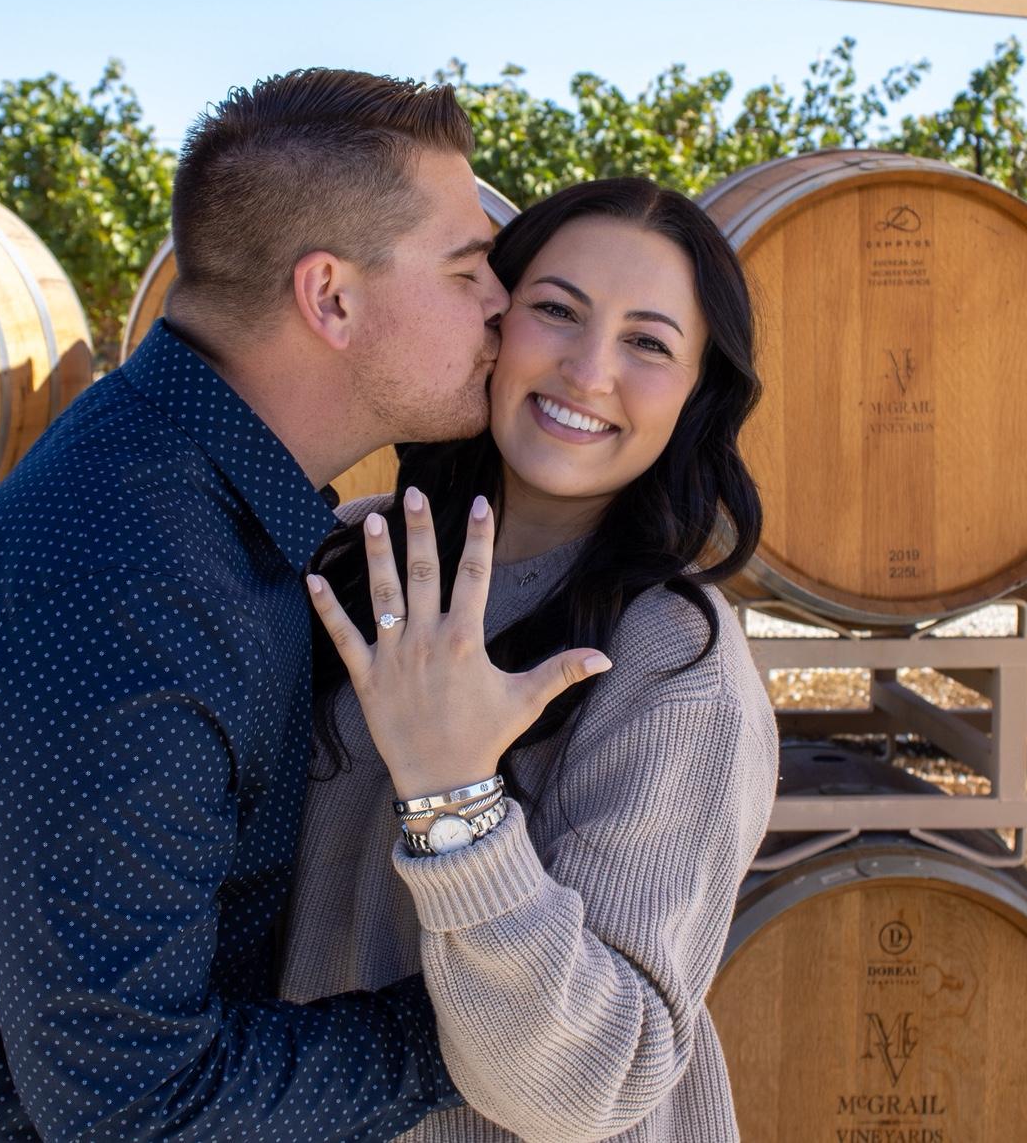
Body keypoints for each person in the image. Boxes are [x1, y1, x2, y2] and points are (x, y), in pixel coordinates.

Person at [0, 69, 596, 1141]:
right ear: (331, 298)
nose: (501, 301)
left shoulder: (200, 497)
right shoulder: (121, 580)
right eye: (463, 270)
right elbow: (133, 1099)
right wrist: (488, 1023)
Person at [286, 179, 779, 1142]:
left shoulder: (673, 657)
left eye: (648, 343)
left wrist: (454, 796)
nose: (589, 371)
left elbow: (589, 1088)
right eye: (555, 311)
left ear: (694, 394)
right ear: (490, 322)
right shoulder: (352, 557)